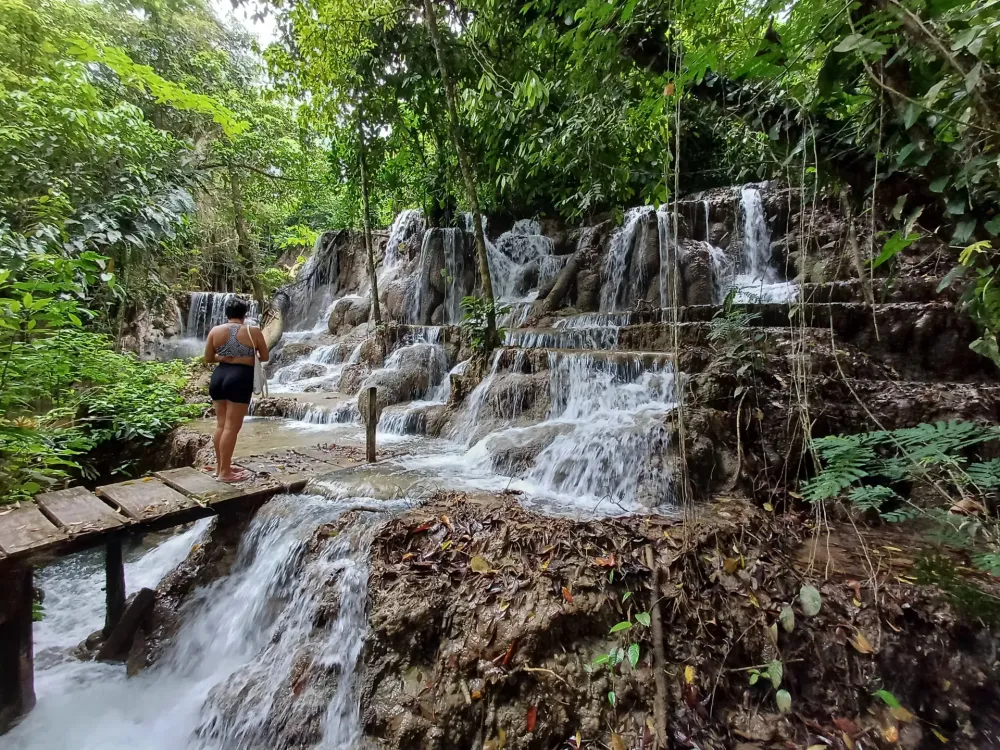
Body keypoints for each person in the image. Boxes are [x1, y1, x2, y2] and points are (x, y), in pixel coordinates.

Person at [203, 298, 269, 482]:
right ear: (245, 314)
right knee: (232, 428)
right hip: (240, 378)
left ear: (226, 313)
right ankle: (225, 474)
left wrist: (227, 358)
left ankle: (221, 468)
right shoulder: (253, 331)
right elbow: (264, 356)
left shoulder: (215, 331)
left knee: (221, 425)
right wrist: (243, 359)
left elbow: (208, 357)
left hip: (219, 377)